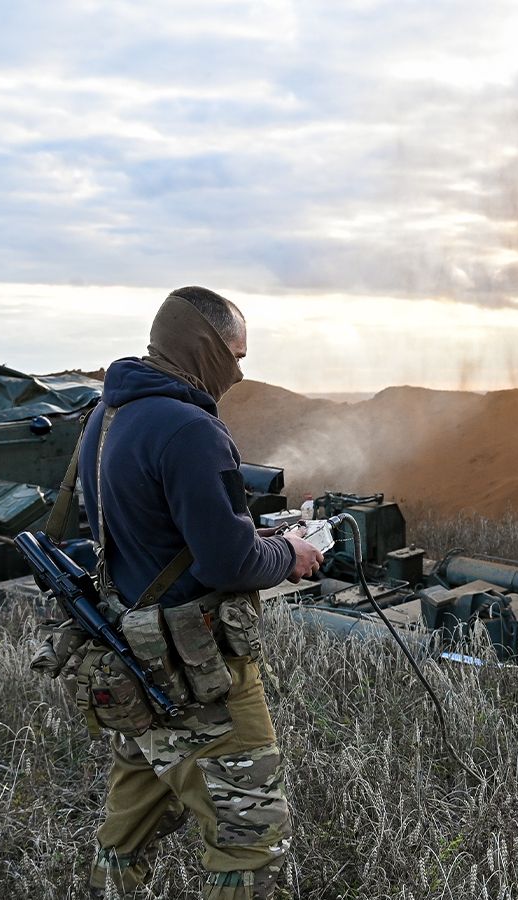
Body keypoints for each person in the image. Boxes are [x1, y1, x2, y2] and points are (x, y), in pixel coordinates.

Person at [79, 287, 324, 899]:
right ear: (204, 347)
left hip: (133, 656)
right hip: (197, 670)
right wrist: (287, 553)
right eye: (235, 357)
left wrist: (254, 533)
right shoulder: (190, 428)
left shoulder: (107, 416)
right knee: (248, 836)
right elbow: (229, 562)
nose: (240, 373)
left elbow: (158, 530)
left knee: (129, 823)